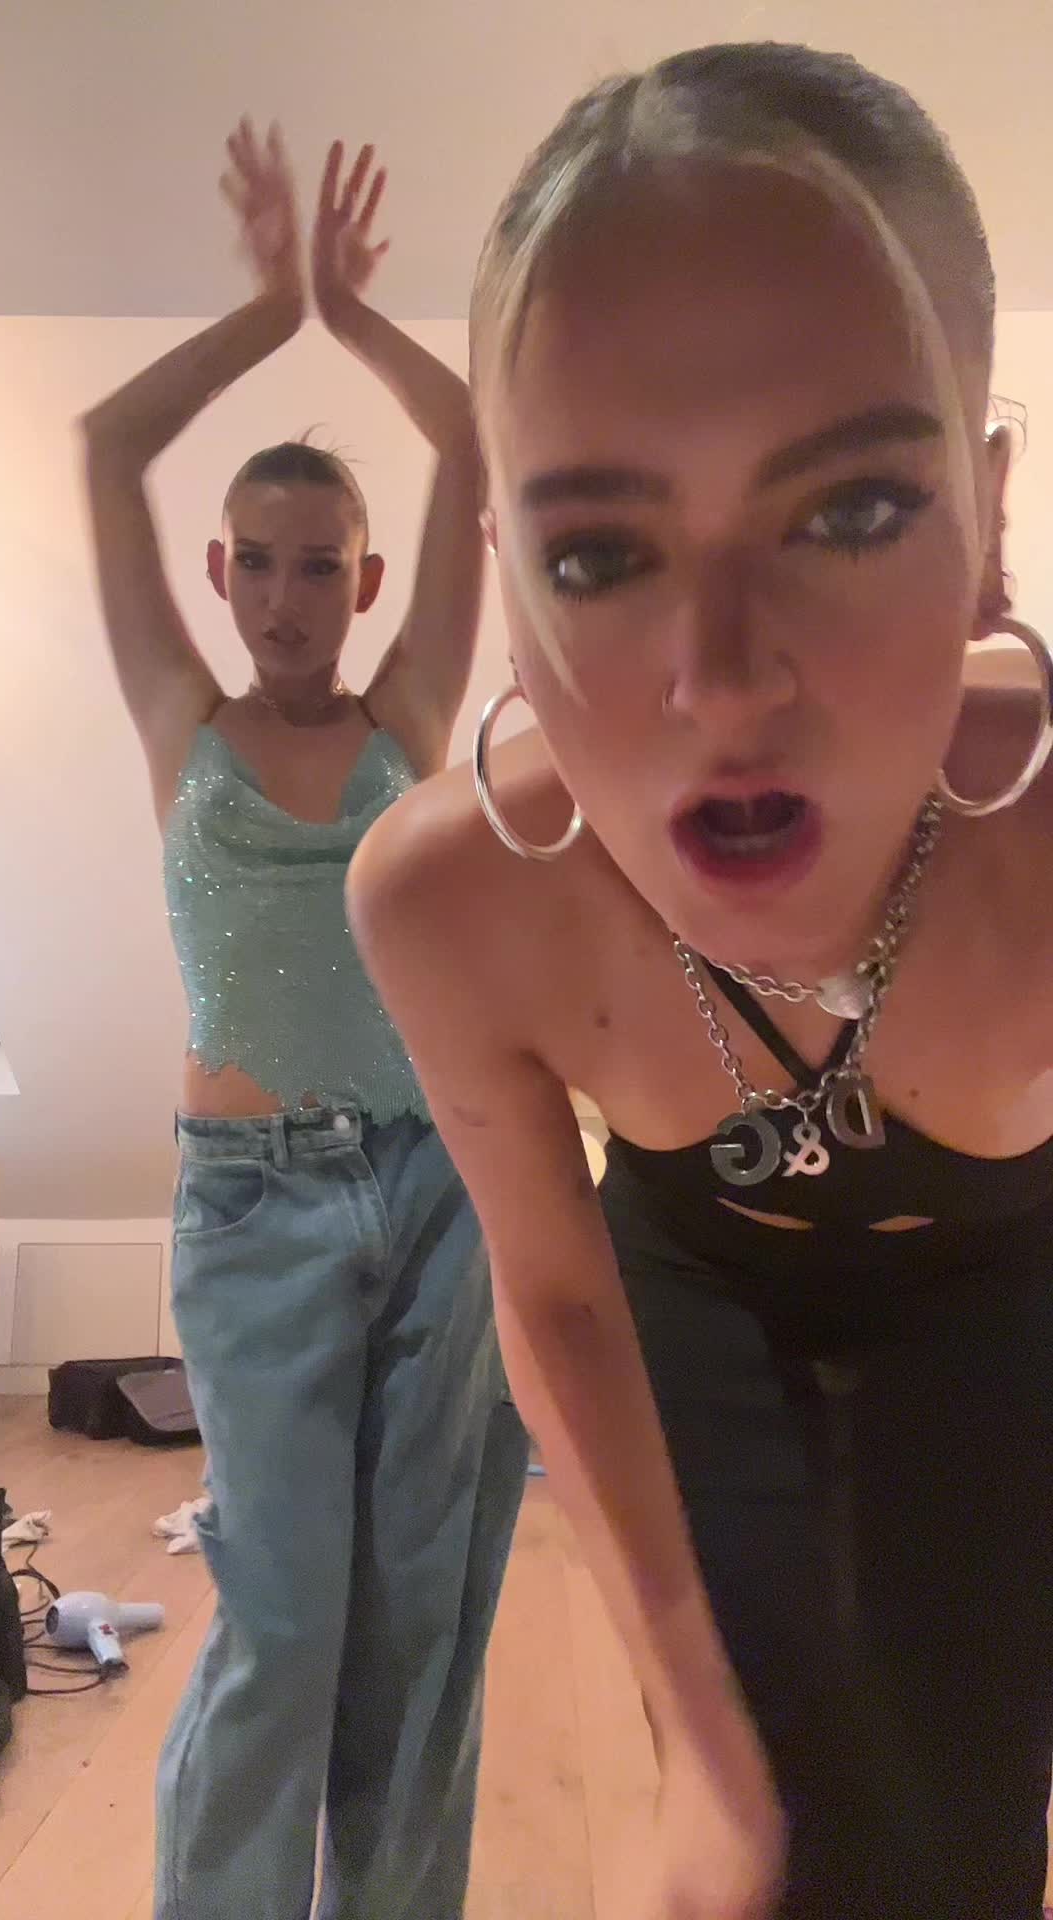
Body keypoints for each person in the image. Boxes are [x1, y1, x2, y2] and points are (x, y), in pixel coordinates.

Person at [348, 44, 1053, 1920]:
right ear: (506, 585)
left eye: (852, 512)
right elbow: (553, 1294)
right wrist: (707, 1760)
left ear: (987, 520)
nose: (724, 680)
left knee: (975, 1801)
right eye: (599, 551)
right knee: (767, 1814)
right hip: (687, 1287)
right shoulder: (450, 902)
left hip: (1007, 1275)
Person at [80, 121, 526, 1920]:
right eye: (257, 561)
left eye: (319, 563)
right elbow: (107, 444)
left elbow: (473, 434)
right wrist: (273, 311)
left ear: (366, 579)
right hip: (253, 1211)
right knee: (281, 1620)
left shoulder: (411, 715)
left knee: (421, 1621)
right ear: (216, 572)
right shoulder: (178, 723)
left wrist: (352, 308)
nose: (286, 598)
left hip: (435, 1193)